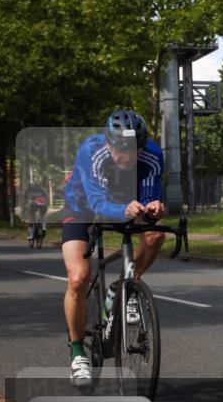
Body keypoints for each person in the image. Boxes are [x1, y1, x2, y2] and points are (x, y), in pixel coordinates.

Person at [61, 110, 167, 384]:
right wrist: (123, 209)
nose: (128, 158)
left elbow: (149, 194)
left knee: (155, 236)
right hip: (82, 206)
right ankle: (77, 353)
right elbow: (97, 203)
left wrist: (154, 208)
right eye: (121, 151)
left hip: (126, 202)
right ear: (108, 143)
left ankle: (127, 286)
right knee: (78, 278)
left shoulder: (153, 155)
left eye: (134, 151)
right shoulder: (91, 151)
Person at [23, 179, 49, 245]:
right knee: (42, 215)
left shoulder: (28, 190)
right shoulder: (43, 190)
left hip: (32, 206)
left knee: (30, 217)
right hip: (42, 206)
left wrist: (24, 207)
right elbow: (46, 198)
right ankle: (43, 226)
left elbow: (25, 200)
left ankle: (30, 233)